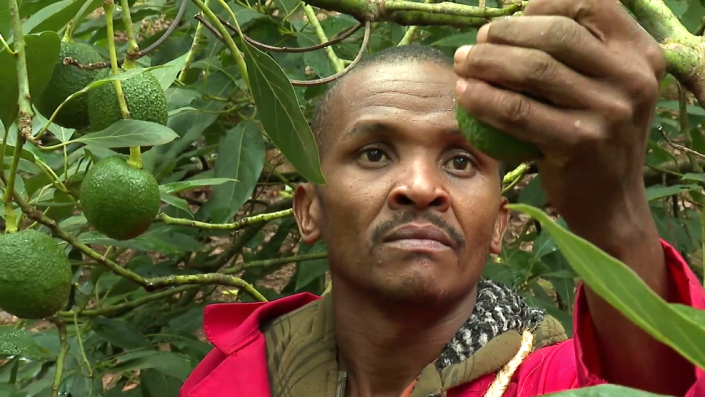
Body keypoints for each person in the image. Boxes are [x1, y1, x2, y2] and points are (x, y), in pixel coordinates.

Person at [179, 0, 705, 395]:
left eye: (460, 161)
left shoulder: (551, 381)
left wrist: (614, 215)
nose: (421, 188)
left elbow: (657, 382)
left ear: (500, 225)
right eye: (374, 154)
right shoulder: (235, 374)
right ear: (308, 208)